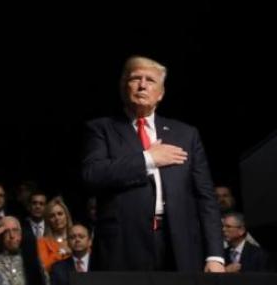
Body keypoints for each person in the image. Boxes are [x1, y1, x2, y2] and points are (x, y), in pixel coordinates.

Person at [82, 55, 225, 272]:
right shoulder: (102, 129)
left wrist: (215, 255)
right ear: (123, 87)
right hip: (123, 247)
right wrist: (148, 159)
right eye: (135, 78)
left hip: (180, 245)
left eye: (150, 80)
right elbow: (93, 174)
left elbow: (206, 198)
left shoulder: (186, 134)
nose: (142, 85)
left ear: (161, 93)